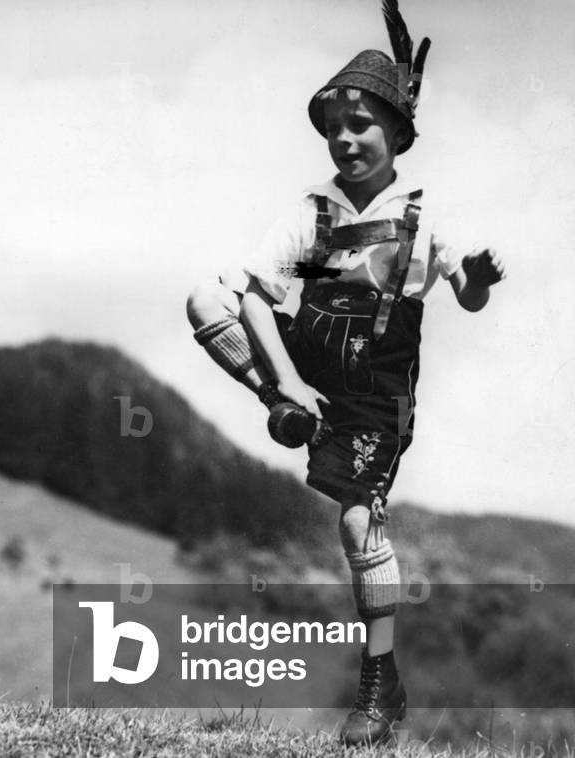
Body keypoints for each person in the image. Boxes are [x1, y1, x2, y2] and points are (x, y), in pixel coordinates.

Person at [186, 1, 505, 746]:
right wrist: (284, 385)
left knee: (359, 525)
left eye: (361, 125)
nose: (344, 139)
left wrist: (482, 278)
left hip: (376, 396)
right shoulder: (312, 213)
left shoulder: (423, 221)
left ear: (397, 134)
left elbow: (469, 297)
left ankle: (380, 684)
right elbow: (259, 296)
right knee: (207, 296)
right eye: (334, 127)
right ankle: (289, 410)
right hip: (312, 367)